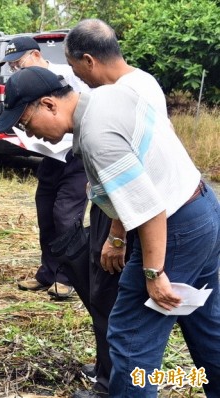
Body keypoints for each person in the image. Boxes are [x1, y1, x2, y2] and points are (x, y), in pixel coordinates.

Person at [0, 65, 220, 398]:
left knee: (130, 340)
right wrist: (116, 234)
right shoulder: (108, 97)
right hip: (202, 209)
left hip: (172, 228)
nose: (31, 135)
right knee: (206, 327)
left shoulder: (97, 136)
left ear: (48, 104)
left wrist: (154, 273)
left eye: (27, 123)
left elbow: (150, 209)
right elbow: (135, 176)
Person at [63, 18, 170, 398]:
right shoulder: (139, 82)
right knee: (102, 290)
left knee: (111, 295)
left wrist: (117, 236)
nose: (78, 79)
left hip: (128, 211)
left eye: (75, 69)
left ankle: (110, 381)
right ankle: (108, 367)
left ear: (88, 60)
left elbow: (136, 185)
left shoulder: (129, 91)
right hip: (118, 204)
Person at [0, 36, 90, 299]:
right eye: (12, 66)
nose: (17, 69)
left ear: (36, 55)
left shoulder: (67, 76)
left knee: (66, 215)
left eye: (19, 63)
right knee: (46, 212)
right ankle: (47, 272)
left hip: (76, 154)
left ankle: (68, 277)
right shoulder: (25, 85)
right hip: (50, 155)